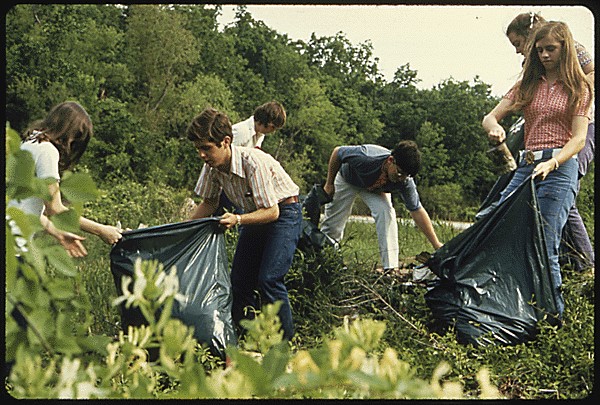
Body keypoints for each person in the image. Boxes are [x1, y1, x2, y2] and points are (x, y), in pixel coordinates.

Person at [482, 21, 593, 316]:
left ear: (565, 49)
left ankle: (553, 317)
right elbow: (490, 117)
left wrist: (554, 162)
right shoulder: (526, 85)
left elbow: (580, 138)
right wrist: (495, 129)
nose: (544, 55)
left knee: (544, 240)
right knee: (497, 222)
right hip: (527, 164)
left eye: (550, 49)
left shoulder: (579, 87)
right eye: (539, 50)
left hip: (560, 165)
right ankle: (506, 305)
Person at [187, 107, 302, 341]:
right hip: (254, 214)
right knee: (239, 281)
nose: (201, 154)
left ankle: (284, 344)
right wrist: (183, 229)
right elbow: (209, 203)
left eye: (206, 148)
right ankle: (243, 338)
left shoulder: (253, 161)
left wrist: (237, 219)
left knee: (269, 279)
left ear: (226, 142)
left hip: (283, 212)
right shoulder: (211, 167)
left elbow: (272, 212)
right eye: (198, 148)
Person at [505, 12, 595, 272]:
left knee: (565, 186)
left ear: (530, 33)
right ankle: (571, 260)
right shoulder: (538, 61)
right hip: (547, 131)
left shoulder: (570, 49)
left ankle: (586, 264)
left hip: (582, 124)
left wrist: (570, 90)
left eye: (518, 44)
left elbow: (591, 74)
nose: (518, 51)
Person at [8, 101, 123, 257]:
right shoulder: (47, 151)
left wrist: (58, 233)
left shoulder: (29, 142)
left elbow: (25, 208)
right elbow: (55, 209)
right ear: (71, 135)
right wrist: (101, 230)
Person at [320, 141, 443, 273]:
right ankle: (327, 262)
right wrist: (329, 184)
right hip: (347, 179)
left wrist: (436, 244)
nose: (401, 178)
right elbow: (338, 152)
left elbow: (417, 210)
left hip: (374, 189)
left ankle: (390, 269)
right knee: (332, 225)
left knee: (386, 213)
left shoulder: (405, 181)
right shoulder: (366, 157)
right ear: (391, 160)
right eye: (400, 173)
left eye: (406, 176)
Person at [193, 101, 287, 215]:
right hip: (230, 182)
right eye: (273, 128)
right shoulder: (242, 132)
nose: (273, 132)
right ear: (267, 123)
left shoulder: (259, 136)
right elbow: (225, 156)